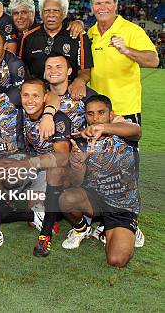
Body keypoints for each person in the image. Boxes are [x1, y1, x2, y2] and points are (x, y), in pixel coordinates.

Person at [60, 95, 141, 267]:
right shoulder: (82, 141)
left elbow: (137, 131)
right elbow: (76, 182)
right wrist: (77, 164)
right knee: (66, 198)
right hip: (96, 200)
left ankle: (132, 228)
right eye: (90, 114)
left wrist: (104, 127)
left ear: (111, 114)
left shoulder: (122, 132)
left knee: (116, 260)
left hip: (123, 206)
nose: (95, 118)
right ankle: (82, 229)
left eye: (101, 113)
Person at [0, 63, 44, 254]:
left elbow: (48, 95)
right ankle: (30, 216)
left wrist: (50, 114)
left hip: (18, 157)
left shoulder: (12, 94)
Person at [87, 0, 159, 123]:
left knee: (126, 145)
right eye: (98, 3)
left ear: (115, 5)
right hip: (98, 109)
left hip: (126, 109)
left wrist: (127, 50)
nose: (102, 7)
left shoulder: (132, 30)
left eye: (107, 2)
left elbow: (153, 60)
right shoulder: (90, 33)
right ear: (92, 7)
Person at [18, 78, 71, 257]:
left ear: (45, 98)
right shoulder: (21, 113)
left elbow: (62, 158)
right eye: (26, 95)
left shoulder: (58, 119)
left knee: (55, 172)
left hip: (65, 172)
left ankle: (45, 235)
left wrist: (30, 164)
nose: (30, 100)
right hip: (39, 167)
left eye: (35, 95)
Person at [19, 0, 92, 96]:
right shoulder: (27, 38)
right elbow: (21, 68)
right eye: (46, 11)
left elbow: (85, 69)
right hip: (36, 96)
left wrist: (80, 81)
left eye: (56, 11)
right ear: (41, 13)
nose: (51, 15)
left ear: (64, 13)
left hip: (69, 94)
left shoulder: (78, 36)